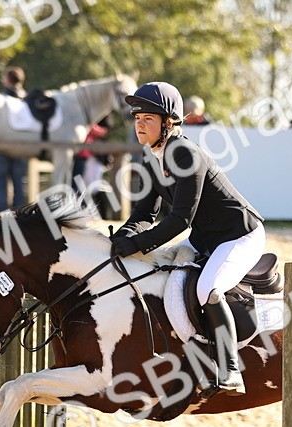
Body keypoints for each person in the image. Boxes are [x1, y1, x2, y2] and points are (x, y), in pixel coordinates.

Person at [111, 81, 265, 396]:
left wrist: (138, 244)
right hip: (205, 238)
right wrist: (123, 238)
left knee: (209, 289)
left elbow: (180, 220)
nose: (140, 124)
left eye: (148, 118)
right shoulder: (151, 157)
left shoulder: (184, 154)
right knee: (157, 274)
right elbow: (145, 212)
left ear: (169, 122)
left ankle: (230, 369)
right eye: (137, 118)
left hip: (239, 235)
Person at [0, 66, 28, 210]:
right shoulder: (27, 99)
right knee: (18, 181)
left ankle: (1, 212)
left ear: (7, 80)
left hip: (1, 145)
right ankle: (18, 212)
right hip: (21, 146)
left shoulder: (0, 99)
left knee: (0, 180)